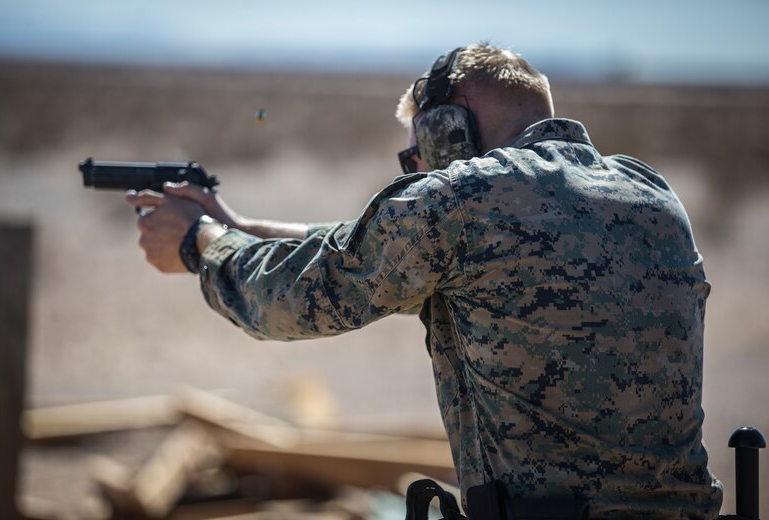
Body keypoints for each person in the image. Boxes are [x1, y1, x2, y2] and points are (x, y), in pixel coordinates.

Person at [127, 43, 724, 518]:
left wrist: (202, 241)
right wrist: (241, 225)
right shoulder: (650, 194)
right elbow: (371, 245)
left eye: (416, 153)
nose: (415, 168)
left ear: (448, 129)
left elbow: (287, 300)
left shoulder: (464, 196)